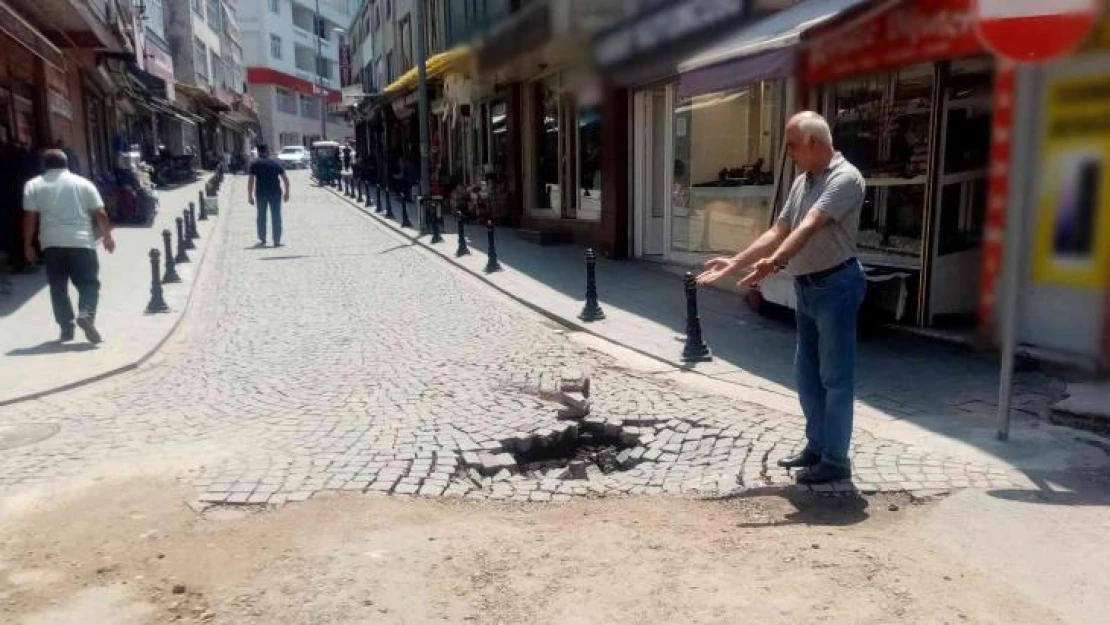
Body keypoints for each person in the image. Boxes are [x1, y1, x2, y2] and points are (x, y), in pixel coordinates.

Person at [696, 111, 866, 485]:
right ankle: (816, 447)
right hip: (806, 286)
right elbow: (781, 227)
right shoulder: (803, 180)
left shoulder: (845, 179)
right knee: (806, 374)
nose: (787, 153)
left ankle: (836, 460)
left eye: (791, 145)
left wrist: (773, 264)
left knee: (835, 377)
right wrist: (736, 262)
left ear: (814, 143)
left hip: (836, 285)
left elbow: (808, 226)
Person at [22, 149, 116, 344]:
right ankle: (86, 314)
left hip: (51, 243)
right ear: (67, 164)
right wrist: (107, 237)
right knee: (88, 283)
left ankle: (66, 329)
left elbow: (29, 217)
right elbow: (100, 213)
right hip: (81, 241)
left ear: (44, 165)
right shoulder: (83, 183)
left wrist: (27, 245)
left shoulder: (34, 185)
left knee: (58, 287)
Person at [247, 144, 290, 247]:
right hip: (275, 193)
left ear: (258, 152)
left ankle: (262, 239)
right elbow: (285, 179)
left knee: (261, 217)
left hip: (261, 194)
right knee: (276, 216)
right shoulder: (275, 163)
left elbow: (251, 181)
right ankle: (277, 240)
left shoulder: (255, 164)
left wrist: (250, 195)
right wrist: (287, 192)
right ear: (267, 151)